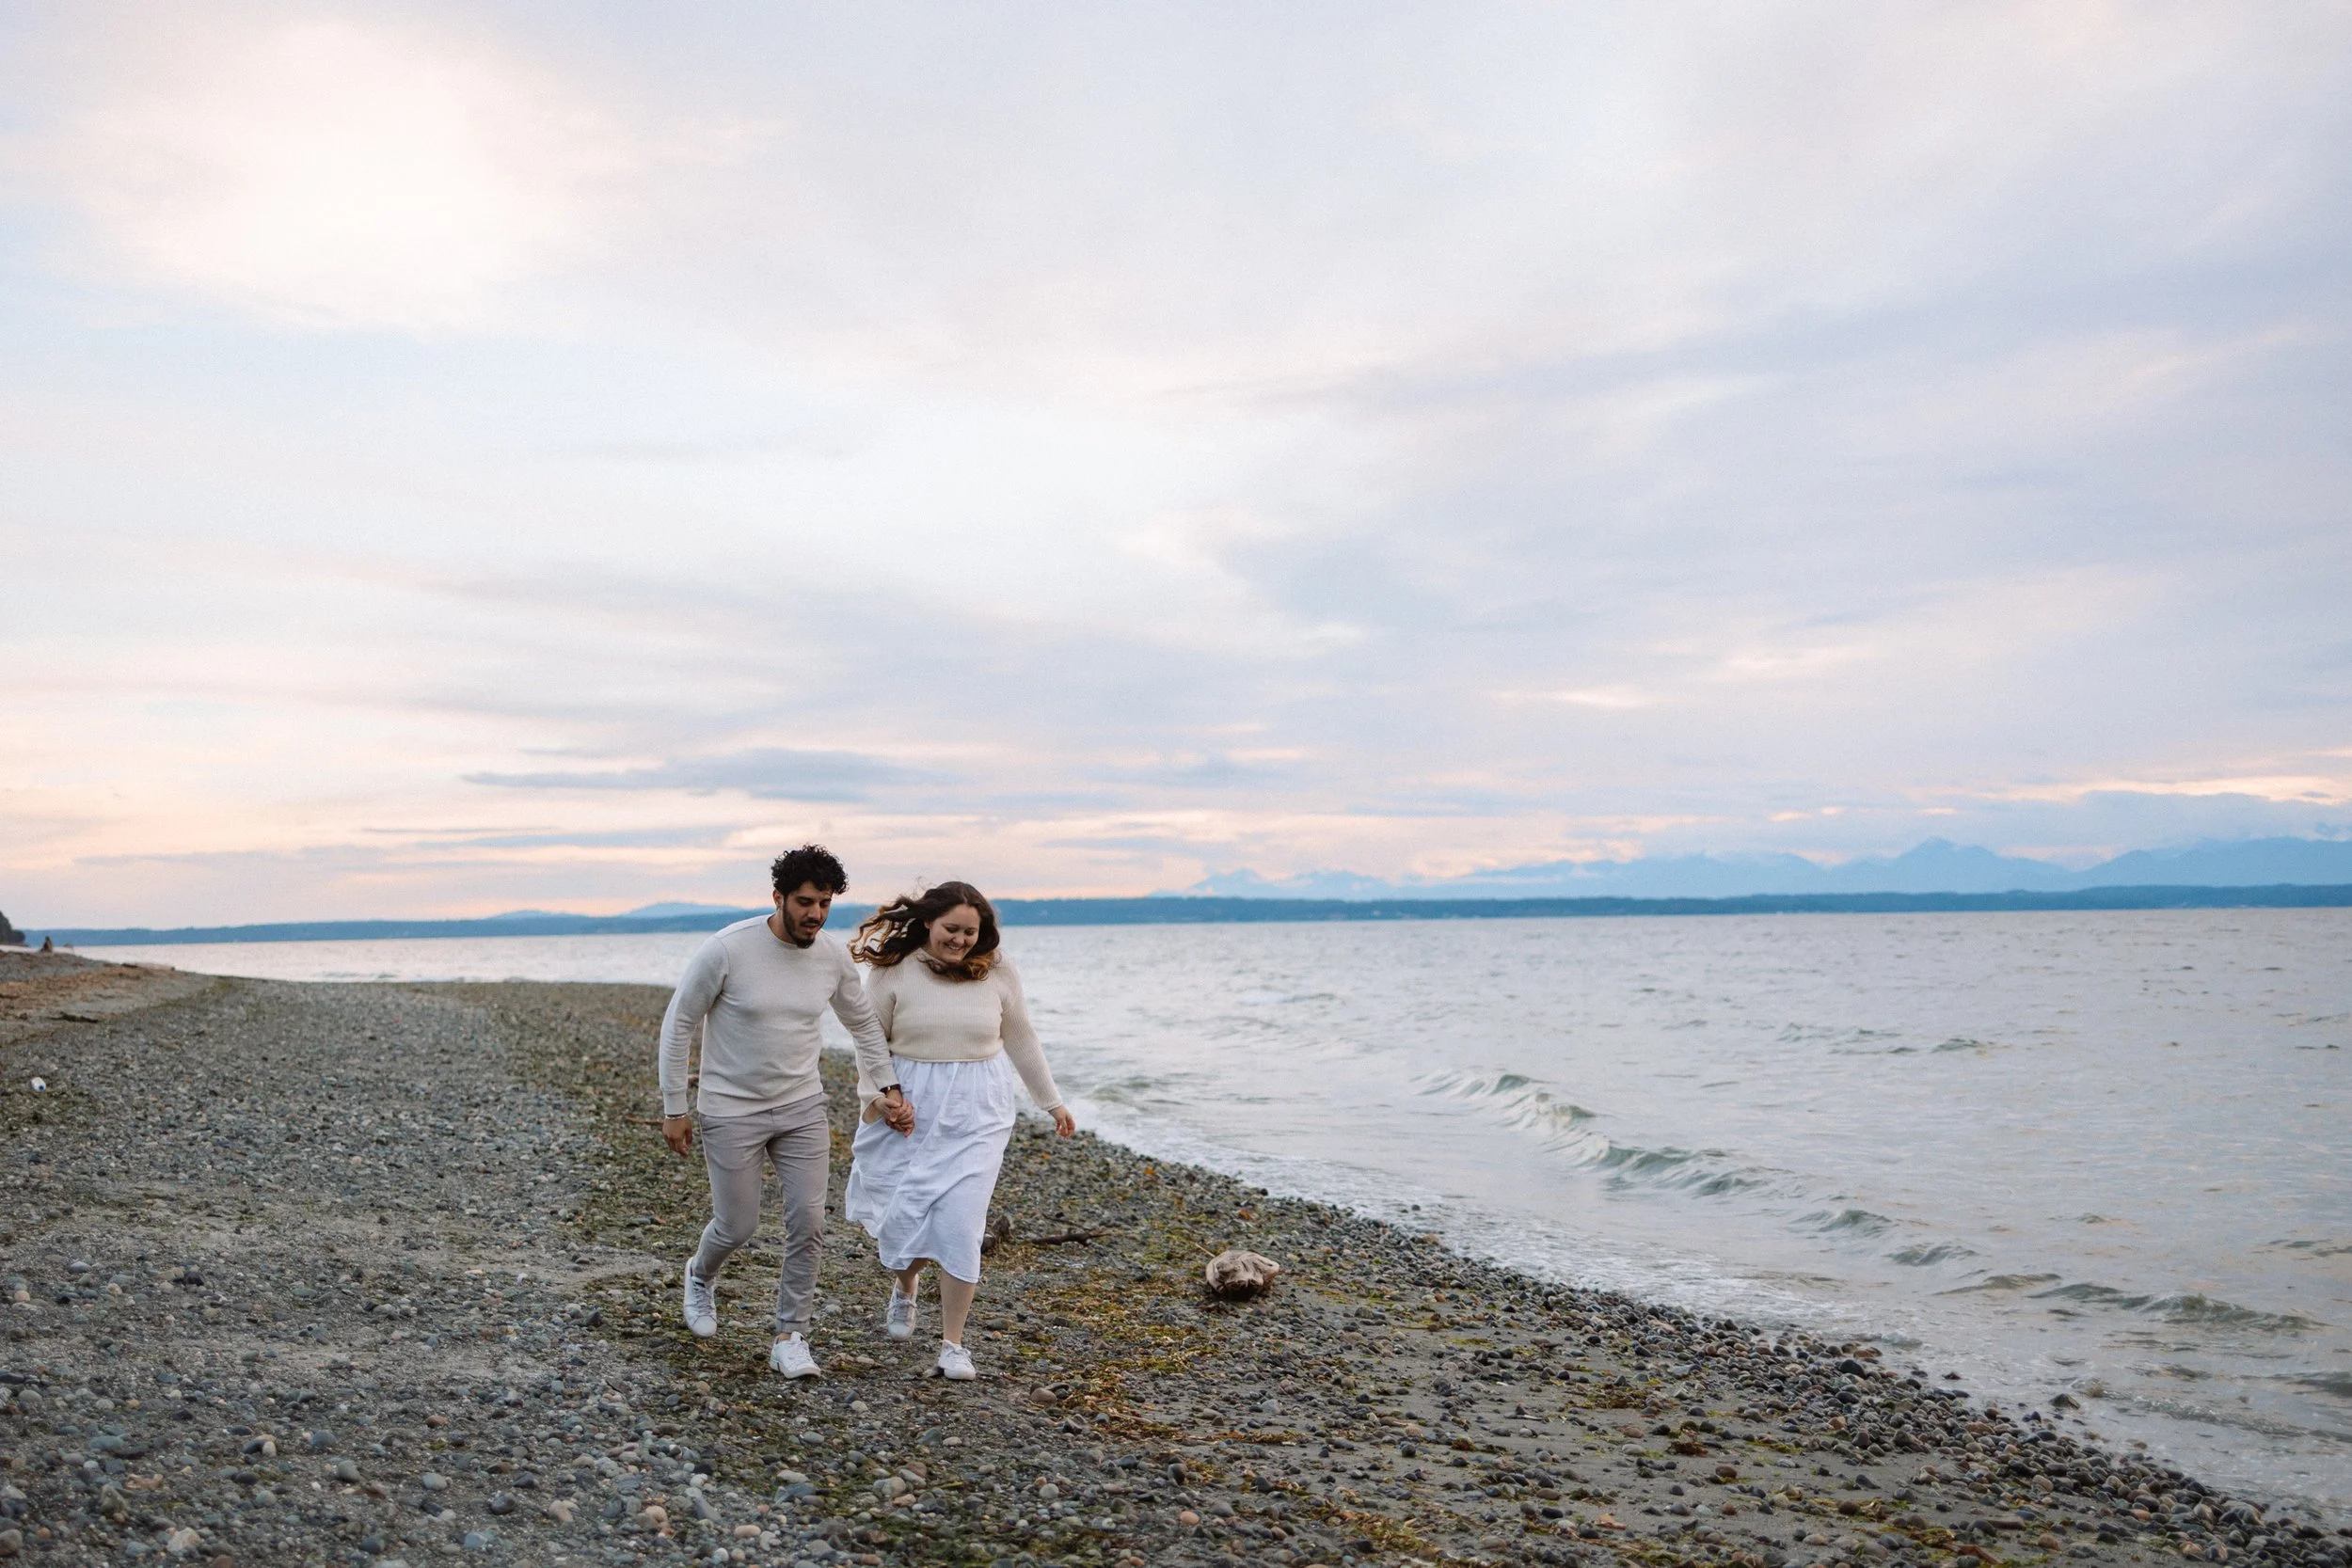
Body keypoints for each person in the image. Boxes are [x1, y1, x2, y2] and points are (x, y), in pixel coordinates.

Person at [656, 844, 912, 1379]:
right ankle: (700, 1274)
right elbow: (679, 1025)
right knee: (737, 1226)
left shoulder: (832, 957)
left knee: (809, 1222)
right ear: (778, 897)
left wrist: (888, 1085)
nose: (815, 914)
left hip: (801, 1106)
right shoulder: (727, 950)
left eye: (824, 903)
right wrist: (674, 1107)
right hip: (730, 1109)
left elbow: (863, 1025)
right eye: (804, 902)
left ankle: (790, 1336)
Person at [844, 880, 1074, 1380]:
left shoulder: (997, 969)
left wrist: (1051, 1102)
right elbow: (869, 1042)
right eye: (952, 929)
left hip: (979, 1108)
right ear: (928, 921)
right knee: (906, 1217)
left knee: (962, 1224)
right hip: (912, 1103)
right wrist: (883, 1096)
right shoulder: (893, 970)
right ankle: (906, 1285)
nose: (961, 940)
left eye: (970, 932)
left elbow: (1021, 1037)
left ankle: (953, 1345)